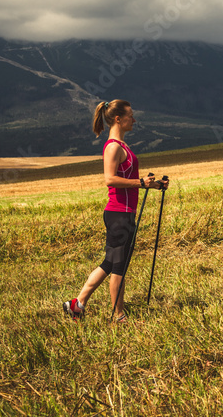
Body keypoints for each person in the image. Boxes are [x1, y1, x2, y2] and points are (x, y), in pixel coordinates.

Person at [63, 99, 165, 323]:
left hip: (123, 213)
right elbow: (110, 179)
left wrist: (154, 185)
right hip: (118, 214)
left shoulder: (122, 146)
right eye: (130, 115)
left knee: (110, 263)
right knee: (119, 266)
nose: (134, 119)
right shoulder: (113, 147)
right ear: (118, 119)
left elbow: (128, 178)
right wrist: (140, 183)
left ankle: (77, 304)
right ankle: (119, 316)